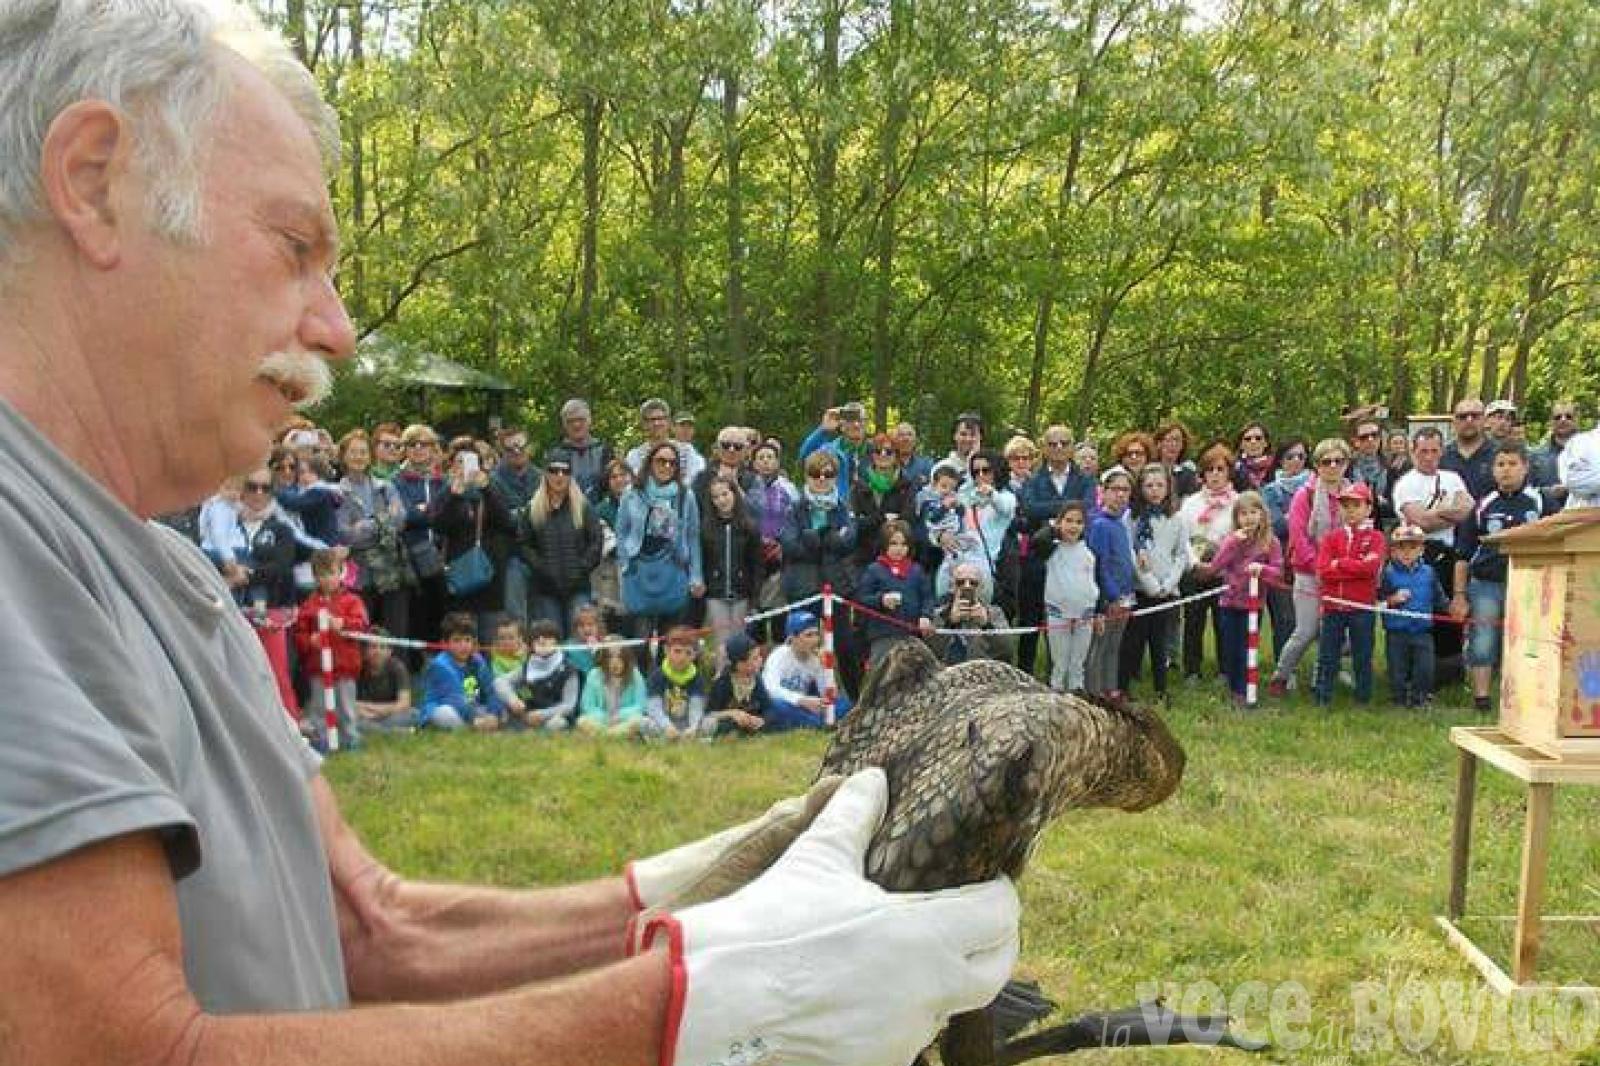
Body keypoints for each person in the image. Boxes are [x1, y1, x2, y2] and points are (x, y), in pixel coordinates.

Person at [0, 7, 1017, 1063]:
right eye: (295, 247)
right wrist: (697, 1003)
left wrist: (716, 878)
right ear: (91, 180)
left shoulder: (171, 572)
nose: (338, 326)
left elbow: (369, 926)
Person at [1451, 443, 1549, 713]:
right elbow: (1462, 554)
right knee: (1483, 640)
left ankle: (1524, 699)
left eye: (1512, 464)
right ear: (1493, 470)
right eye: (1500, 465)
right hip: (1487, 583)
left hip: (1530, 583)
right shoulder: (1483, 505)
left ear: (1525, 467)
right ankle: (1481, 700)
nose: (1506, 470)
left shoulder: (1541, 501)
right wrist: (1459, 595)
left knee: (1528, 642)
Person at [1392, 427, 1474, 686]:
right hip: (1416, 553)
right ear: (1413, 452)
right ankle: (1411, 675)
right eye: (1422, 451)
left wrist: (1438, 513)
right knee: (1418, 614)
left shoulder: (1453, 478)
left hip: (1448, 553)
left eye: (1434, 451)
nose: (1428, 457)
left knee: (1448, 614)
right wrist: (1450, 511)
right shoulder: (1406, 483)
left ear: (1441, 451)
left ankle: (1449, 675)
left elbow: (1468, 509)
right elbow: (1420, 522)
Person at [1268, 437, 1349, 697]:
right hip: (1308, 572)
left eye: (1339, 461)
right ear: (1317, 465)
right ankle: (1281, 675)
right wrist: (1319, 568)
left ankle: (1321, 680)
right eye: (1327, 462)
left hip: (1341, 574)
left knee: (1331, 631)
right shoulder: (1306, 495)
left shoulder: (1353, 495)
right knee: (1305, 630)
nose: (1333, 467)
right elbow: (1298, 536)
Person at [615, 441, 704, 640]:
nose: (666, 466)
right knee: (639, 640)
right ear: (650, 463)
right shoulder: (632, 493)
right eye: (661, 461)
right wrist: (624, 563)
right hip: (639, 570)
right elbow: (621, 530)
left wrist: (696, 575)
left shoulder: (685, 496)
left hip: (673, 567)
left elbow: (692, 536)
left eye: (672, 463)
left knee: (672, 640)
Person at [1313, 483, 1386, 705]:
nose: (1350, 510)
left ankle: (1363, 698)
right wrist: (1353, 566)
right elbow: (1324, 570)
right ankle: (1323, 697)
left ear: (1368, 508)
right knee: (1328, 655)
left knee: (1362, 655)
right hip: (1333, 607)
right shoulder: (1331, 538)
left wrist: (1341, 563)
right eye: (1345, 505)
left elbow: (1370, 569)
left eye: (1356, 505)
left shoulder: (1376, 538)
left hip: (1361, 608)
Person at [1206, 493, 1283, 704]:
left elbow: (1277, 571)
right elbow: (1215, 566)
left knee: (1247, 647)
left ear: (1262, 515)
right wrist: (1232, 542)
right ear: (1236, 517)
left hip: (1253, 605)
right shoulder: (1232, 540)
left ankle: (1244, 689)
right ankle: (1233, 686)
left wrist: (1262, 569)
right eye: (1243, 513)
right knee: (1230, 647)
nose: (1249, 518)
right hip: (1229, 602)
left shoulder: (1271, 542)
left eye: (1253, 512)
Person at [1120, 464, 1188, 698]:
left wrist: (1168, 584)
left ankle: (1161, 689)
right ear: (1140, 488)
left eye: (1160, 485)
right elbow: (1129, 551)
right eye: (1149, 485)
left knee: (1160, 641)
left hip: (1165, 591)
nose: (1155, 490)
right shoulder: (1133, 517)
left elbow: (1181, 555)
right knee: (1133, 640)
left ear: (1169, 488)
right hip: (1140, 590)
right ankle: (1124, 686)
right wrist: (1148, 582)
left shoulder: (1176, 519)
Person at [337, 429, 412, 637]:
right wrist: (381, 520)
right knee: (360, 629)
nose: (358, 457)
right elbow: (346, 535)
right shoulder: (337, 493)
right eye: (353, 452)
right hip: (359, 573)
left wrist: (365, 524)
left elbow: (400, 521)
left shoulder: (386, 487)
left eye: (363, 452)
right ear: (343, 456)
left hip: (391, 570)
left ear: (370, 456)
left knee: (396, 632)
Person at [294, 547, 370, 750]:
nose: (327, 579)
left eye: (331, 573)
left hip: (345, 666)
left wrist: (342, 623)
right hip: (318, 667)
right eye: (322, 574)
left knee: (346, 705)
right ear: (315, 576)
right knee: (319, 706)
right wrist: (311, 640)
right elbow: (299, 633)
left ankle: (350, 738)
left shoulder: (352, 600)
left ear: (341, 572)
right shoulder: (309, 605)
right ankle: (321, 740)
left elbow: (361, 624)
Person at [517, 455, 602, 637]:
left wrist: (581, 568)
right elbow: (524, 544)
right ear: (546, 475)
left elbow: (596, 542)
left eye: (565, 471)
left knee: (581, 639)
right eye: (554, 471)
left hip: (578, 586)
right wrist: (541, 569)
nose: (559, 476)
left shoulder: (584, 507)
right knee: (550, 638)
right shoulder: (532, 509)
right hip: (545, 588)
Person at [1178, 443, 1238, 681]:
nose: (1215, 474)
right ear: (1202, 474)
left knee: (1224, 624)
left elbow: (1240, 537)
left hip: (1225, 573)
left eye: (1220, 469)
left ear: (1228, 472)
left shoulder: (1238, 502)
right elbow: (1182, 537)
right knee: (1193, 621)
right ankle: (1192, 670)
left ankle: (1225, 669)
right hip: (1195, 571)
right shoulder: (1191, 503)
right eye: (1210, 469)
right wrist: (1195, 564)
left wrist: (1220, 565)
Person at [698, 473, 764, 665]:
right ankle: (722, 679)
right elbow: (703, 560)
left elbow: (757, 564)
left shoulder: (750, 527)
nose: (721, 500)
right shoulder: (706, 528)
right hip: (716, 593)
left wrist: (755, 595)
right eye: (716, 497)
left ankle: (741, 679)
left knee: (739, 641)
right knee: (721, 641)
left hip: (742, 592)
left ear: (734, 494)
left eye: (725, 494)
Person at [1379, 526, 1445, 708]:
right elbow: (1379, 600)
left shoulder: (1429, 573)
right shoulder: (1388, 574)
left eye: (1412, 547)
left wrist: (1450, 608)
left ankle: (1420, 699)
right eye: (1401, 548)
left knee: (1425, 668)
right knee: (1397, 669)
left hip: (1423, 631)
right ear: (1393, 551)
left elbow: (1439, 597)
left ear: (1421, 550)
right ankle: (1398, 699)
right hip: (1397, 631)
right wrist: (1392, 599)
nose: (1407, 552)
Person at [1085, 468, 1136, 698]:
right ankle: (1095, 692)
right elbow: (1100, 565)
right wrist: (1113, 596)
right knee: (1100, 647)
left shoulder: (1120, 523)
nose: (1121, 495)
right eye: (1115, 489)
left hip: (1125, 597)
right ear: (1103, 492)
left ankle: (1110, 689)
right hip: (1107, 599)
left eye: (1125, 490)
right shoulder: (1099, 524)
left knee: (1115, 646)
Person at [1036, 501, 1099, 693]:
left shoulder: (1088, 553)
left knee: (1077, 664)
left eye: (1079, 522)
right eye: (1068, 521)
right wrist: (1053, 528)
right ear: (1059, 522)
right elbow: (1038, 539)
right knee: (1060, 663)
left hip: (1084, 616)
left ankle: (1077, 699)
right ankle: (1056, 700)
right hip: (1058, 614)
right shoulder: (1051, 550)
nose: (1073, 526)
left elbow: (1092, 583)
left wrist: (1094, 609)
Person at [855, 520, 936, 662]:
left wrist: (926, 615)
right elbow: (861, 599)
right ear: (884, 544)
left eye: (904, 544)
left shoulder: (916, 570)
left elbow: (927, 597)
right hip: (883, 635)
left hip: (912, 635)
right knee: (882, 675)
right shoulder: (874, 569)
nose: (899, 549)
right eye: (893, 543)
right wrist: (881, 600)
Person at [1260, 437, 1310, 661]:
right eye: (1290, 456)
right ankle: (1284, 668)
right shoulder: (1271, 491)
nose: (1296, 461)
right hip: (1282, 560)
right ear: (1280, 461)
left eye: (1301, 456)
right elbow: (1277, 526)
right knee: (1285, 618)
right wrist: (1302, 515)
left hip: (1312, 558)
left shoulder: (1316, 486)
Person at [761, 611, 850, 730]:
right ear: (793, 638)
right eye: (809, 635)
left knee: (845, 704)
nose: (815, 640)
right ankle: (820, 724)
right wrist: (801, 700)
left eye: (816, 634)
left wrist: (827, 669)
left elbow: (828, 694)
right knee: (777, 706)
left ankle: (818, 722)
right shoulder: (778, 656)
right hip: (789, 704)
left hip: (808, 705)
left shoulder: (816, 658)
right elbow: (770, 689)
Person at [496, 619, 581, 731]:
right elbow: (500, 682)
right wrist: (514, 701)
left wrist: (542, 715)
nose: (541, 640)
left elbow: (569, 705)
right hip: (527, 716)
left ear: (557, 642)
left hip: (553, 717)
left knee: (557, 724)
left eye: (547, 637)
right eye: (536, 638)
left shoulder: (569, 670)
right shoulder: (528, 666)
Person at [927, 561, 1017, 665]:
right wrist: (949, 622)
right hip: (948, 675)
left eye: (973, 583)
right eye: (960, 582)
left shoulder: (995, 613)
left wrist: (987, 624)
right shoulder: (939, 613)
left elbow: (1007, 651)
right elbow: (932, 651)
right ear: (952, 587)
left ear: (981, 587)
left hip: (982, 674)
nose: (967, 586)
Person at [642, 626, 709, 740]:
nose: (682, 657)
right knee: (643, 723)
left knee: (710, 723)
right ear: (666, 651)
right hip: (663, 724)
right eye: (677, 651)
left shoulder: (697, 677)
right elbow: (654, 707)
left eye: (688, 653)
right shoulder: (657, 676)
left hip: (687, 723)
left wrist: (693, 728)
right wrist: (667, 726)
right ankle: (666, 738)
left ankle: (688, 737)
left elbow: (696, 708)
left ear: (694, 655)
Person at [702, 631, 771, 736]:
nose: (761, 660)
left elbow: (767, 707)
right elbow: (710, 713)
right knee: (715, 725)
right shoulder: (722, 683)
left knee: (776, 717)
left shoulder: (756, 679)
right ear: (739, 664)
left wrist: (761, 720)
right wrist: (733, 713)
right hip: (727, 720)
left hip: (751, 720)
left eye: (759, 656)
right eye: (755, 658)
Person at [547, 398, 614, 501]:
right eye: (571, 421)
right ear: (564, 425)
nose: (576, 425)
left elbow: (612, 487)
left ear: (589, 420)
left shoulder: (604, 451)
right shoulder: (556, 454)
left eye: (580, 419)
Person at [575, 644, 650, 736]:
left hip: (625, 720)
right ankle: (615, 734)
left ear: (626, 658)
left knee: (640, 721)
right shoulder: (594, 675)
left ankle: (605, 735)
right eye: (610, 658)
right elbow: (588, 706)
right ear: (604, 659)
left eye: (619, 657)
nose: (615, 662)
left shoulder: (635, 675)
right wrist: (606, 717)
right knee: (582, 721)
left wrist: (619, 716)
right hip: (602, 720)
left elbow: (641, 706)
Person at [355, 628, 415, 731]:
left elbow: (404, 703)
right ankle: (392, 731)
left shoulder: (398, 667)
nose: (377, 651)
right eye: (373, 647)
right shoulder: (358, 668)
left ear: (389, 651)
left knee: (413, 714)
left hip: (390, 714)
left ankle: (378, 730)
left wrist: (378, 710)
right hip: (365, 714)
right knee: (350, 718)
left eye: (382, 647)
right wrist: (364, 710)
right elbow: (351, 703)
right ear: (365, 650)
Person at [1442, 398, 1497, 501]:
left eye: (1475, 416)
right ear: (1453, 422)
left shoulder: (1500, 454)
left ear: (1485, 420)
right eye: (1462, 417)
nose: (1469, 420)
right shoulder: (1441, 455)